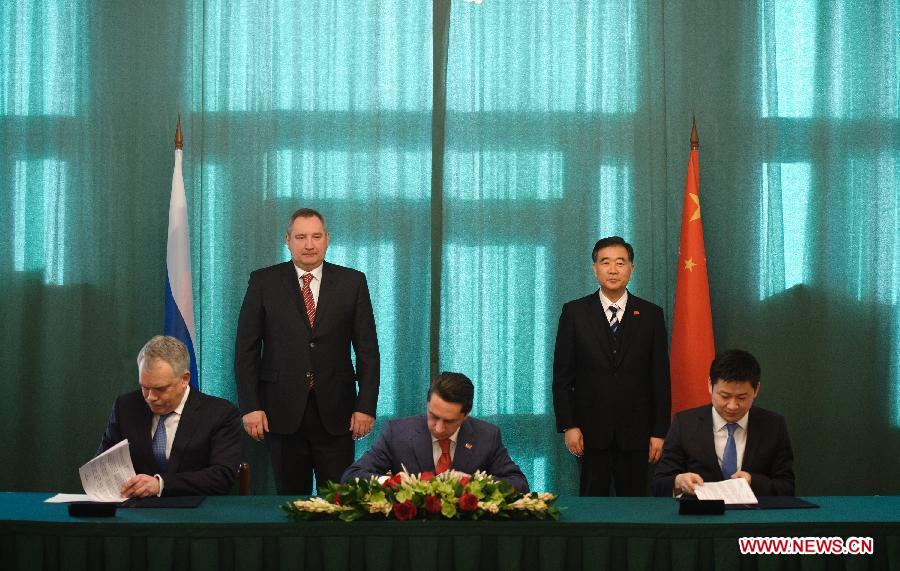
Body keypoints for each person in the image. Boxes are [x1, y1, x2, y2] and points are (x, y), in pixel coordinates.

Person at [235, 208, 380, 495]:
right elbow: (246, 349)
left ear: (327, 239)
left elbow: (368, 351)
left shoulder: (353, 282)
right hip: (281, 410)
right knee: (289, 501)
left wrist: (365, 406)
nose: (309, 244)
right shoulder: (263, 282)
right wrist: (251, 406)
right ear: (287, 240)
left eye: (316, 236)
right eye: (301, 237)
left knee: (338, 501)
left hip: (337, 413)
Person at [552, 236, 671, 496]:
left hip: (638, 433)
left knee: (634, 505)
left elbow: (659, 378)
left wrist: (659, 432)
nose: (613, 269)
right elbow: (562, 376)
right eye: (605, 262)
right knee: (592, 504)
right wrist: (569, 425)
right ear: (594, 268)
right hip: (589, 432)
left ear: (631, 268)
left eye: (620, 262)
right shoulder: (574, 312)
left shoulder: (651, 314)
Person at [97, 336, 241, 497]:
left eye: (160, 389)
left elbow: (222, 477)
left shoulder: (220, 414)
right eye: (145, 387)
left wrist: (160, 484)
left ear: (184, 379)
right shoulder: (126, 407)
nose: (150, 397)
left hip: (195, 512)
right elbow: (104, 465)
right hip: (136, 512)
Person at [341, 372, 529, 493]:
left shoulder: (486, 436)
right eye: (433, 416)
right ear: (427, 404)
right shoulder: (397, 433)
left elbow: (519, 484)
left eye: (449, 421)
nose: (439, 428)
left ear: (466, 415)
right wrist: (391, 483)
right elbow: (351, 477)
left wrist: (476, 483)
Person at [652, 349, 795, 497]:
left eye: (741, 398)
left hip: (754, 516)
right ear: (710, 385)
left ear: (756, 389)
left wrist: (753, 482)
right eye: (724, 396)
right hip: (702, 517)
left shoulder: (774, 425)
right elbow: (658, 485)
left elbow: (787, 487)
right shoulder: (684, 424)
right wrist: (678, 482)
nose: (732, 406)